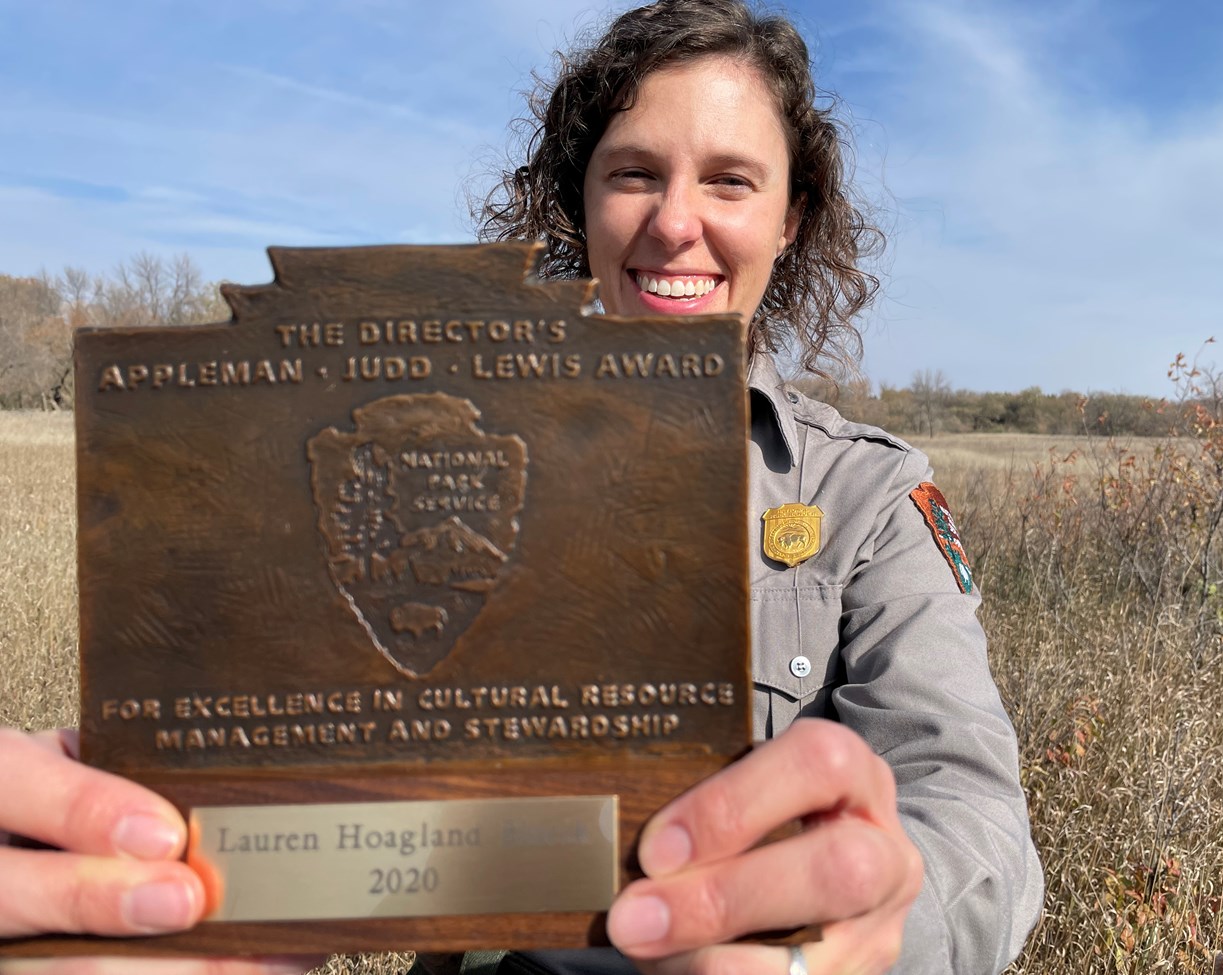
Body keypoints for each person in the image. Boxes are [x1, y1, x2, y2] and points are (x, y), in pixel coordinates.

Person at [0, 1, 1042, 973]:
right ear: (577, 201)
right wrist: (126, 870)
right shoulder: (425, 442)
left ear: (790, 219)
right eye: (634, 173)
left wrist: (866, 927)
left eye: (730, 180)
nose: (675, 222)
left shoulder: (867, 498)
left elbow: (972, 814)